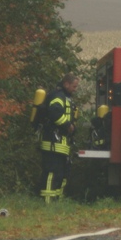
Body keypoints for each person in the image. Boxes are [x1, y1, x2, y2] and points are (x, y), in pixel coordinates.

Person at [38, 73, 79, 203]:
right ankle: (48, 201)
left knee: (61, 173)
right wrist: (68, 125)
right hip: (52, 142)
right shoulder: (58, 96)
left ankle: (56, 200)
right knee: (52, 172)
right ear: (66, 84)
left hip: (60, 143)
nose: (75, 89)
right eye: (74, 86)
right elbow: (54, 112)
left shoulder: (66, 98)